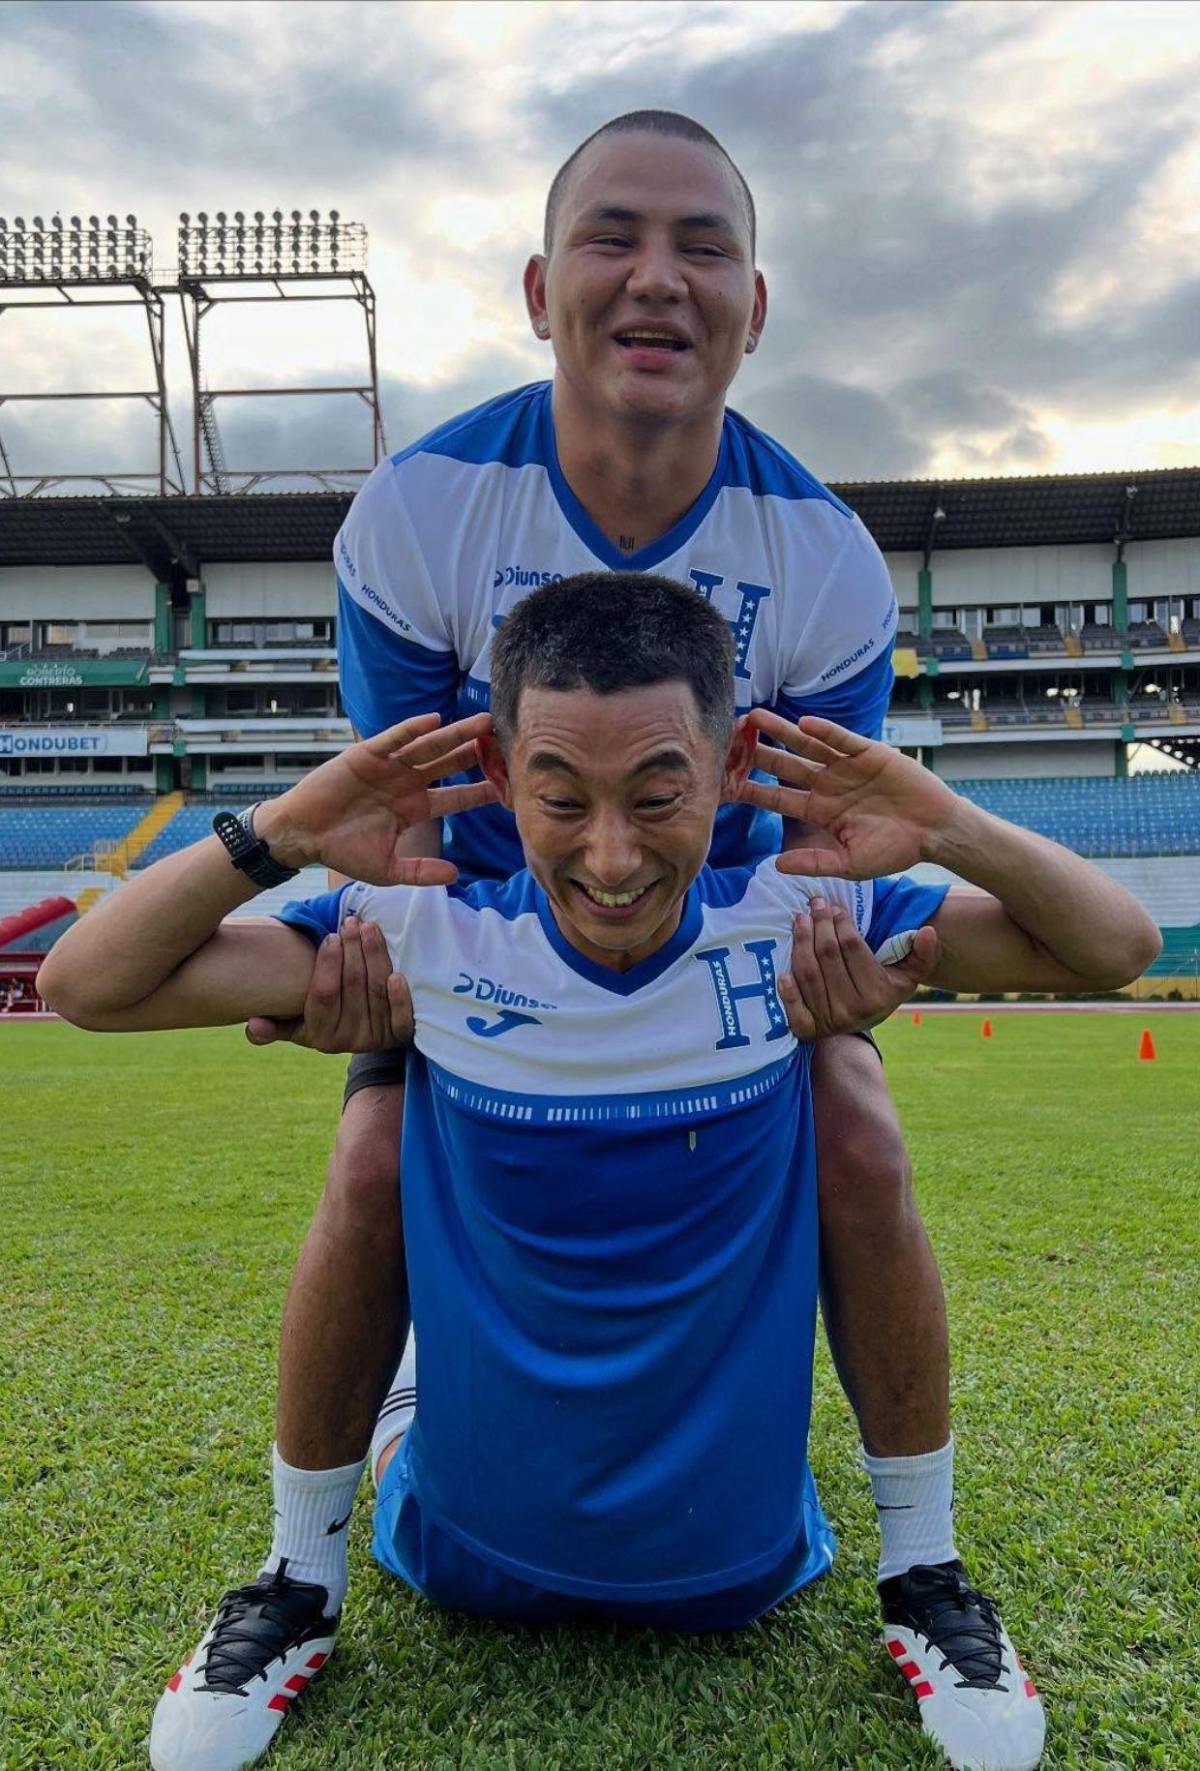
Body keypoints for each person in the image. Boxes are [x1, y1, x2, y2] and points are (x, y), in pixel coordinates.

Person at [146, 108, 1058, 1771]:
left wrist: (809, 977)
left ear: (757, 302)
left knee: (856, 1115)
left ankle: (925, 1566)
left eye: (702, 245)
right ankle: (294, 1576)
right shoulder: (418, 512)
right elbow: (409, 819)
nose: (658, 277)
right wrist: (411, 985)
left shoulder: (828, 558)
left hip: (708, 923)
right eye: (615, 237)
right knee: (367, 1163)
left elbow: (805, 838)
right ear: (538, 284)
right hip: (477, 934)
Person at [40, 575, 1158, 1771]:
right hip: (458, 1549)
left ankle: (924, 1569)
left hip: (740, 1559)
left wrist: (948, 823)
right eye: (560, 798)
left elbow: (1117, 947)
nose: (612, 854)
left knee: (851, 1090)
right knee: (377, 1129)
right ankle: (297, 1579)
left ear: (731, 768)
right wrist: (277, 835)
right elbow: (83, 986)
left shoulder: (795, 921)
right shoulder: (436, 935)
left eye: (659, 795)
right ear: (502, 770)